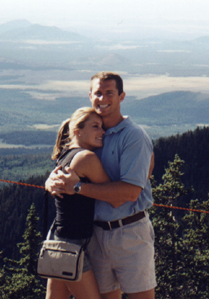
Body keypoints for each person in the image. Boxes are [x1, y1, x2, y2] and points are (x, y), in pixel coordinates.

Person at [46, 72, 156, 299]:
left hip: (129, 233)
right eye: (98, 92)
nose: (102, 98)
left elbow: (130, 193)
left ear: (121, 96)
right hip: (95, 234)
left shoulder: (133, 136)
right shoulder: (95, 136)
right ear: (90, 96)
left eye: (109, 93)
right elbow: (72, 163)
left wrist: (77, 188)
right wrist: (51, 180)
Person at [45, 107, 113, 299]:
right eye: (95, 127)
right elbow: (113, 194)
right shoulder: (85, 157)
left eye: (101, 126)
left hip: (60, 237)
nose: (102, 132)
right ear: (77, 131)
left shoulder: (66, 154)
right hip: (72, 244)